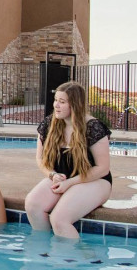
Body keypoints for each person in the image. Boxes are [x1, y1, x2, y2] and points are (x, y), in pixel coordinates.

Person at [23, 81, 112, 239]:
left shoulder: (93, 127)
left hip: (93, 180)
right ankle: (44, 251)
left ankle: (70, 260)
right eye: (56, 100)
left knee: (59, 219)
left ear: (75, 105)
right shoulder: (48, 125)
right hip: (62, 177)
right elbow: (40, 159)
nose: (56, 105)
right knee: (32, 205)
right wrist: (52, 175)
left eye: (62, 102)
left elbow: (103, 168)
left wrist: (70, 183)